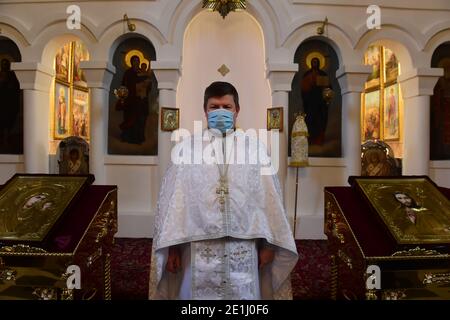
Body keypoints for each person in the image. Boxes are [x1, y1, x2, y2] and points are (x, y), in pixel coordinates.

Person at [149, 82, 298, 300]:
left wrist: (269, 245)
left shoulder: (254, 149)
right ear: (205, 110)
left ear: (237, 110)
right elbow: (174, 205)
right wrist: (172, 249)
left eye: (226, 107)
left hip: (244, 248)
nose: (221, 111)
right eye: (214, 106)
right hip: (197, 249)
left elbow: (269, 202)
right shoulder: (186, 149)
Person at [116, 55, 150, 144]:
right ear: (131, 62)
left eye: (137, 61)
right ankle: (128, 137)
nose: (136, 62)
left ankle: (138, 138)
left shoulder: (142, 71)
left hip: (141, 100)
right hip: (130, 100)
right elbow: (124, 85)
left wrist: (147, 84)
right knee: (129, 119)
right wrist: (123, 95)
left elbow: (148, 85)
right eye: (134, 61)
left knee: (140, 119)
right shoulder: (128, 72)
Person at [300, 57, 331, 145]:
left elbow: (328, 88)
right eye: (313, 62)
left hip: (321, 102)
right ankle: (310, 139)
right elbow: (303, 89)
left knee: (320, 120)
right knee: (310, 120)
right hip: (310, 102)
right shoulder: (307, 74)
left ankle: (319, 139)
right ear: (310, 63)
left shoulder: (323, 74)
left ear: (319, 63)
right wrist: (310, 84)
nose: (314, 63)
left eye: (316, 62)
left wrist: (326, 93)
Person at [0, 58, 20, 150]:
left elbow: (16, 87)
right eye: (2, 64)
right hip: (2, 102)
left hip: (9, 102)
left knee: (8, 122)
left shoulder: (12, 75)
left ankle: (7, 140)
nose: (4, 66)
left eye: (6, 64)